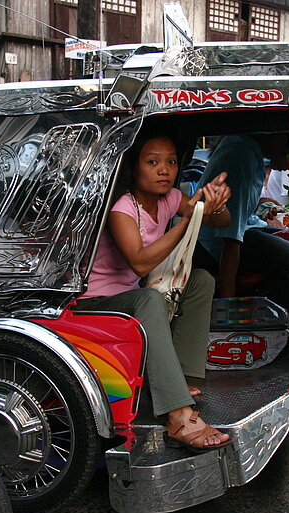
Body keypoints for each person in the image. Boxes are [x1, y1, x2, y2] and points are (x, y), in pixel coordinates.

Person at [76, 135, 233, 452]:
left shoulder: (170, 198)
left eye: (171, 162)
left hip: (133, 297)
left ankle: (185, 378)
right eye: (152, 162)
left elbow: (222, 220)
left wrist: (212, 205)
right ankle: (178, 416)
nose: (164, 170)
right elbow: (139, 262)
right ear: (134, 169)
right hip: (95, 304)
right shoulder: (122, 208)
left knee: (201, 279)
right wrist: (190, 220)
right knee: (149, 298)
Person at [193, 134, 289, 323]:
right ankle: (275, 326)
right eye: (288, 144)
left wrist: (261, 203)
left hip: (243, 229)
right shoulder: (241, 157)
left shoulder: (245, 148)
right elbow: (230, 237)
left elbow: (241, 203)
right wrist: (227, 308)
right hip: (214, 242)